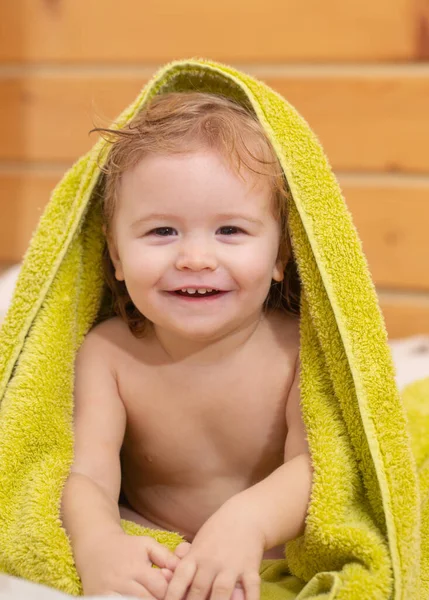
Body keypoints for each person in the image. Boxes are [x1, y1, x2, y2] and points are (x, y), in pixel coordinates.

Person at [60, 91, 313, 600]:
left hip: (269, 546)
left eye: (230, 229)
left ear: (281, 254)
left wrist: (250, 522)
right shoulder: (109, 356)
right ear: (116, 255)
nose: (196, 257)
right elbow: (85, 473)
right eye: (162, 230)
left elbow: (318, 465)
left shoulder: (298, 349)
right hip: (156, 538)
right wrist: (99, 544)